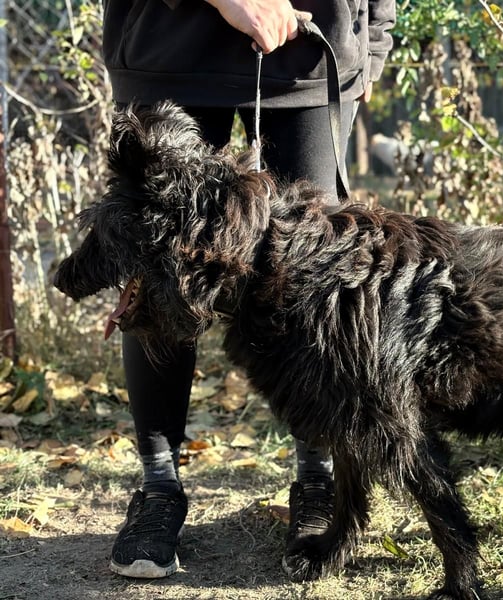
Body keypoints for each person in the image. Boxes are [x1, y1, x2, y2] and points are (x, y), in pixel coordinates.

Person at [98, 0, 396, 579]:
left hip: (312, 55)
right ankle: (159, 488)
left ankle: (317, 477)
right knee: (163, 278)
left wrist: (370, 41)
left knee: (312, 284)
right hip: (167, 48)